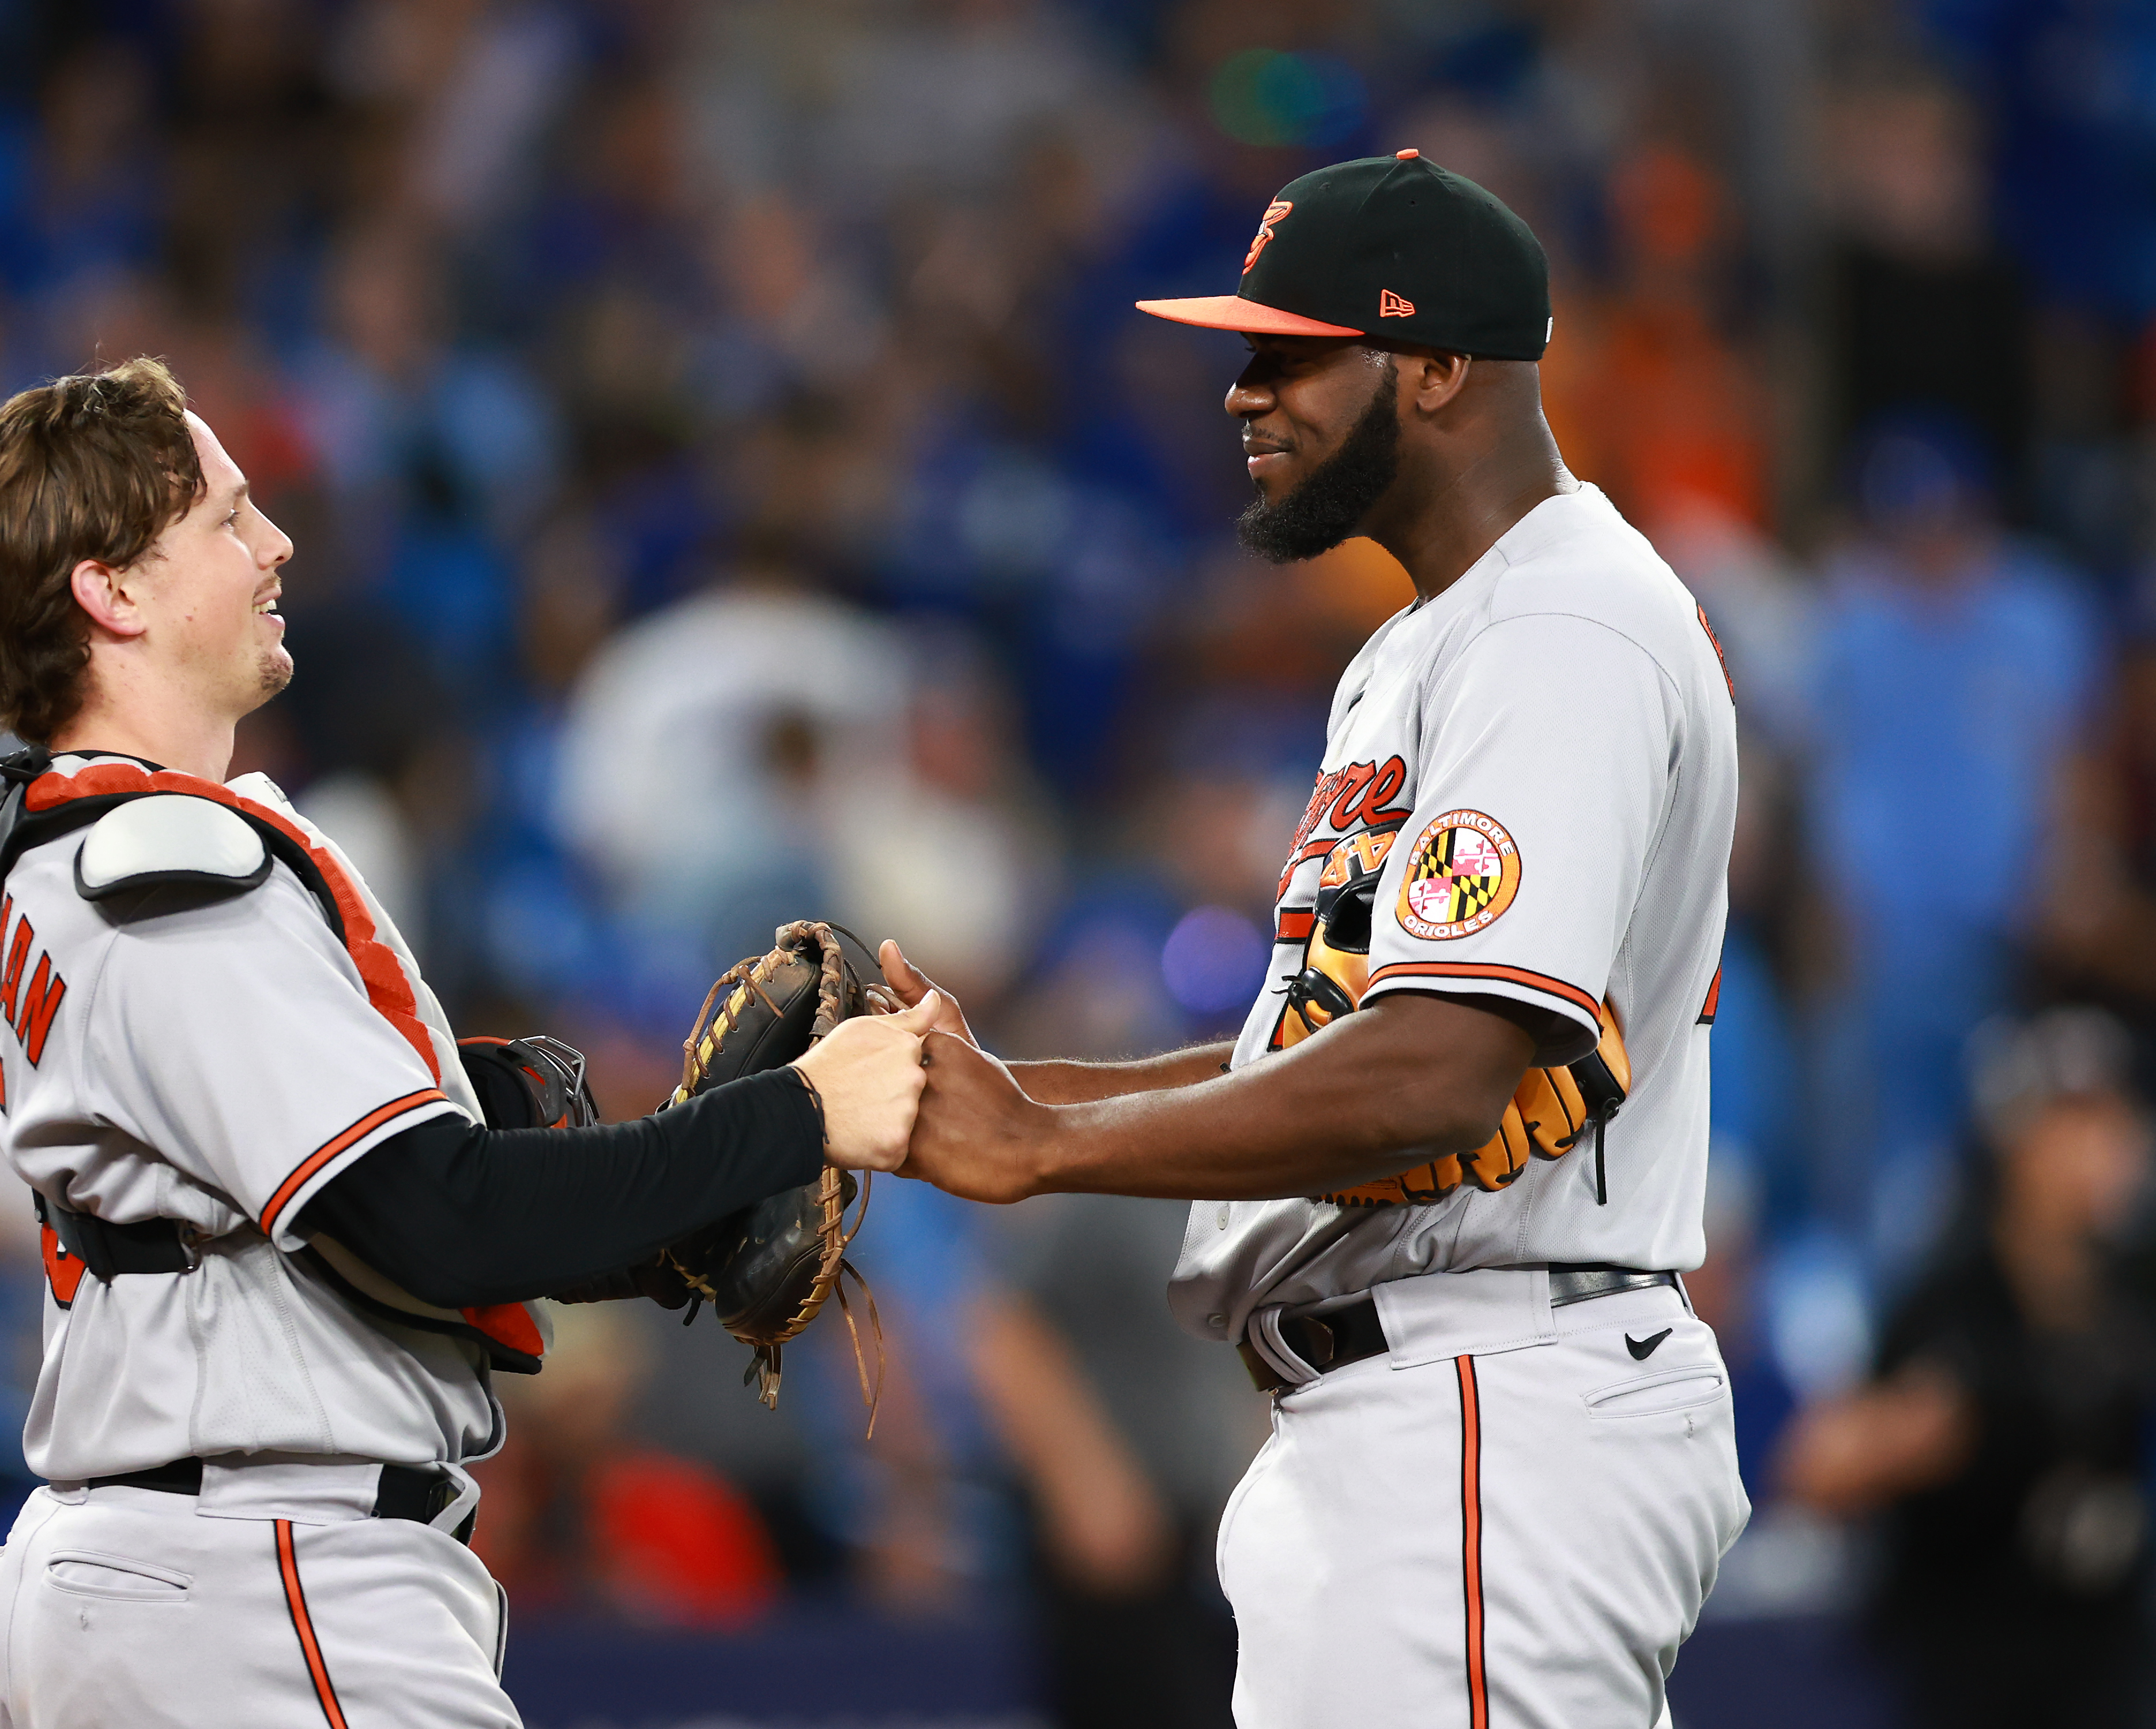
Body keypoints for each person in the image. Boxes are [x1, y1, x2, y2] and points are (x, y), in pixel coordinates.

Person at [0, 358, 933, 1729]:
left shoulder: (101, 847)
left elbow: (392, 1224)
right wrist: (800, 1114)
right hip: (257, 1576)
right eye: (225, 521)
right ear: (113, 591)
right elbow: (430, 1219)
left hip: (203, 1564)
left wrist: (663, 1219)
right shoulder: (165, 859)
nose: (275, 544)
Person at [887, 153, 1747, 1726]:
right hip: (1414, 1416)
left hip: (1487, 1397)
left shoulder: (1557, 626)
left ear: (1431, 367)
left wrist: (1042, 1150)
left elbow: (1430, 1072)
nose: (1240, 390)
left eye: (1288, 351)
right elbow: (1329, 1049)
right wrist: (1017, 1093)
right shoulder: (1429, 638)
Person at [1777, 1008, 2156, 1728]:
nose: (2098, 1149)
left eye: (2114, 1120)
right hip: (1964, 1682)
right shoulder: (1951, 1305)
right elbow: (1814, 1466)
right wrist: (1913, 1435)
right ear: (2012, 1136)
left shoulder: (2133, 1297)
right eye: (2071, 1121)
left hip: (2106, 1680)